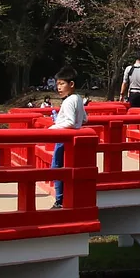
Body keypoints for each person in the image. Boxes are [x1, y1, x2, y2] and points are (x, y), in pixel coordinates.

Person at [48, 66, 86, 209]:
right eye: (57, 84)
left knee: (57, 168)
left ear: (71, 84)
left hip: (64, 138)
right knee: (67, 168)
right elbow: (85, 119)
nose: (59, 87)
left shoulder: (69, 101)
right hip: (74, 139)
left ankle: (59, 200)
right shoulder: (78, 99)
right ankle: (65, 197)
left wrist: (53, 127)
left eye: (62, 84)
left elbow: (70, 122)